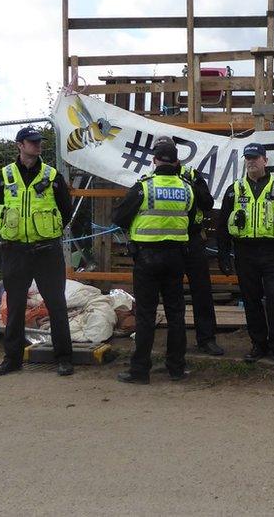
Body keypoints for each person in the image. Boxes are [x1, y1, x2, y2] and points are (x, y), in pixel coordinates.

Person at [0, 127, 75, 377]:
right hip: (15, 250)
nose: (37, 146)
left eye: (39, 142)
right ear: (19, 145)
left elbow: (65, 210)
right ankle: (12, 359)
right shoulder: (3, 176)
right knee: (15, 307)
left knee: (56, 305)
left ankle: (64, 358)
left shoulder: (52, 175)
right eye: (32, 142)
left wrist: (48, 230)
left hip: (47, 251)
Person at [112, 138, 197, 383]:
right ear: (178, 162)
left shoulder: (144, 187)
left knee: (146, 316)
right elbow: (189, 219)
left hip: (147, 258)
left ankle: (140, 371)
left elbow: (119, 216)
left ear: (154, 161)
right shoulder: (186, 188)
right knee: (176, 314)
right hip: (175, 257)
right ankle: (176, 368)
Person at [216, 143, 274, 369]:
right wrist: (223, 254)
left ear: (265, 160)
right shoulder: (234, 189)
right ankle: (258, 344)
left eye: (255, 158)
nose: (251, 162)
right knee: (251, 300)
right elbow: (223, 224)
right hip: (245, 253)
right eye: (248, 158)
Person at [165, 137, 225, 357]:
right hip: (167, 242)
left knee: (202, 291)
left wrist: (190, 186)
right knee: (171, 293)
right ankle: (174, 344)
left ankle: (206, 339)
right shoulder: (151, 178)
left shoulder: (190, 174)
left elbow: (208, 203)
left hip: (192, 239)